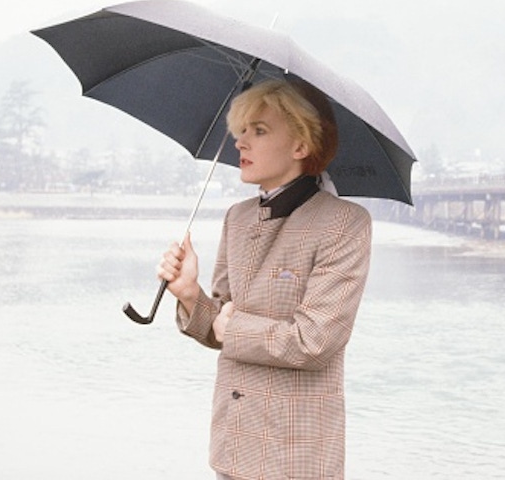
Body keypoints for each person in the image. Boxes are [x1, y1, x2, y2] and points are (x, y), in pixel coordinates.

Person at [156, 78, 372, 480]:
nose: (241, 143)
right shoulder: (237, 218)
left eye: (259, 131)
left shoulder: (344, 224)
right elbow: (216, 328)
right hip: (232, 444)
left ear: (301, 146)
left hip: (296, 456)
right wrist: (189, 294)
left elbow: (314, 341)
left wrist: (230, 323)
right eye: (241, 131)